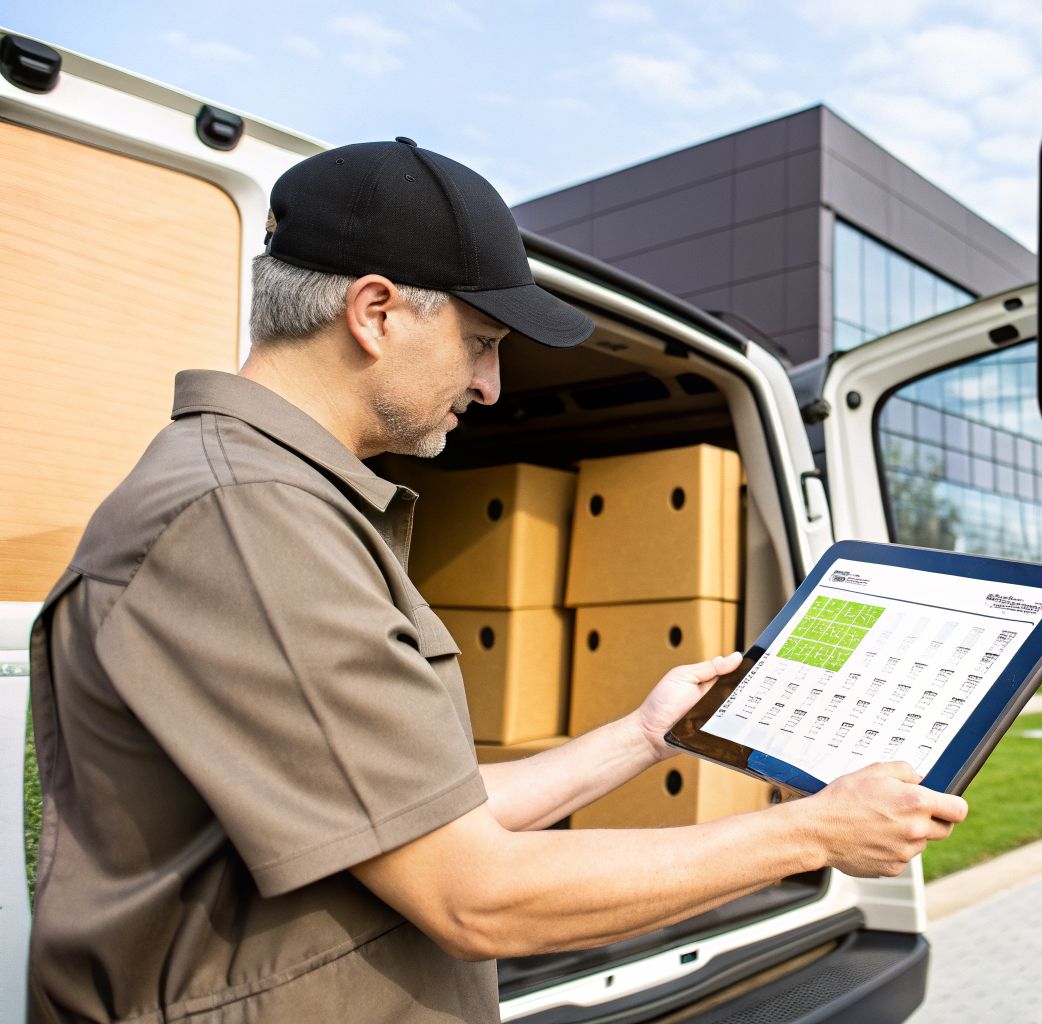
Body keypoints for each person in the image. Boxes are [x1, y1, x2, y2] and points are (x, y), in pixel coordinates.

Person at [27, 138, 966, 1023]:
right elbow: (472, 896)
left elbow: (422, 807)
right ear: (376, 311)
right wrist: (811, 837)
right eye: (481, 340)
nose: (493, 386)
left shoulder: (274, 503)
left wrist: (646, 734)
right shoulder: (247, 521)